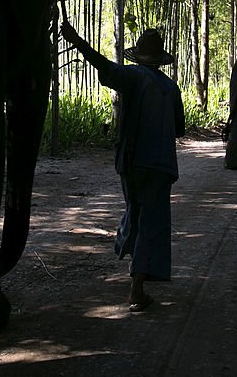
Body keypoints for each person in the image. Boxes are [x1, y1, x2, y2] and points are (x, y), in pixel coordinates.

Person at [61, 21, 186, 312]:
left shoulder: (132, 77)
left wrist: (77, 40)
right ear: (159, 59)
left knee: (137, 213)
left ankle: (137, 282)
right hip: (161, 166)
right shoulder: (171, 88)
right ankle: (138, 285)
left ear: (139, 57)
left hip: (132, 162)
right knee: (150, 220)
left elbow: (103, 66)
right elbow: (179, 130)